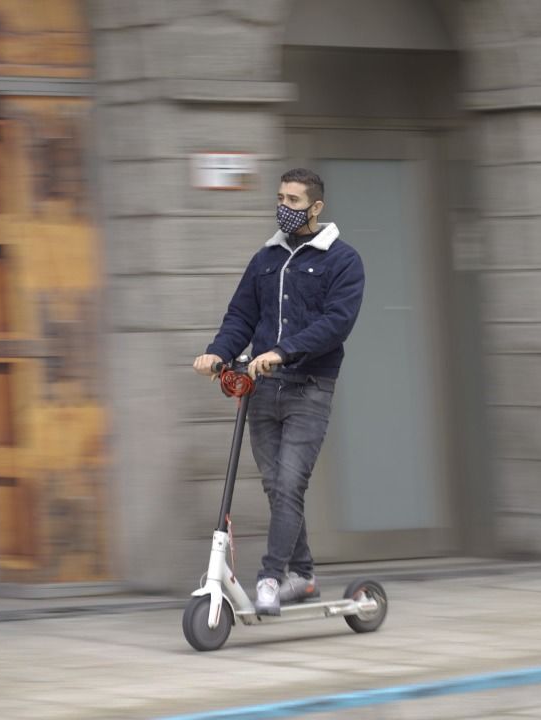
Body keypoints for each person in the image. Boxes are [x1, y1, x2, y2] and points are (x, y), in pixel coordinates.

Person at [192, 168, 365, 615]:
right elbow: (240, 317)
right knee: (276, 487)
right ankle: (303, 577)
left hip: (309, 388)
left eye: (293, 201)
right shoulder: (265, 258)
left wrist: (284, 351)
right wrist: (217, 353)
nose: (284, 208)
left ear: (316, 207)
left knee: (290, 482)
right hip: (262, 390)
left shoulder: (342, 260)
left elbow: (336, 323)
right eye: (281, 198)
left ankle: (271, 576)